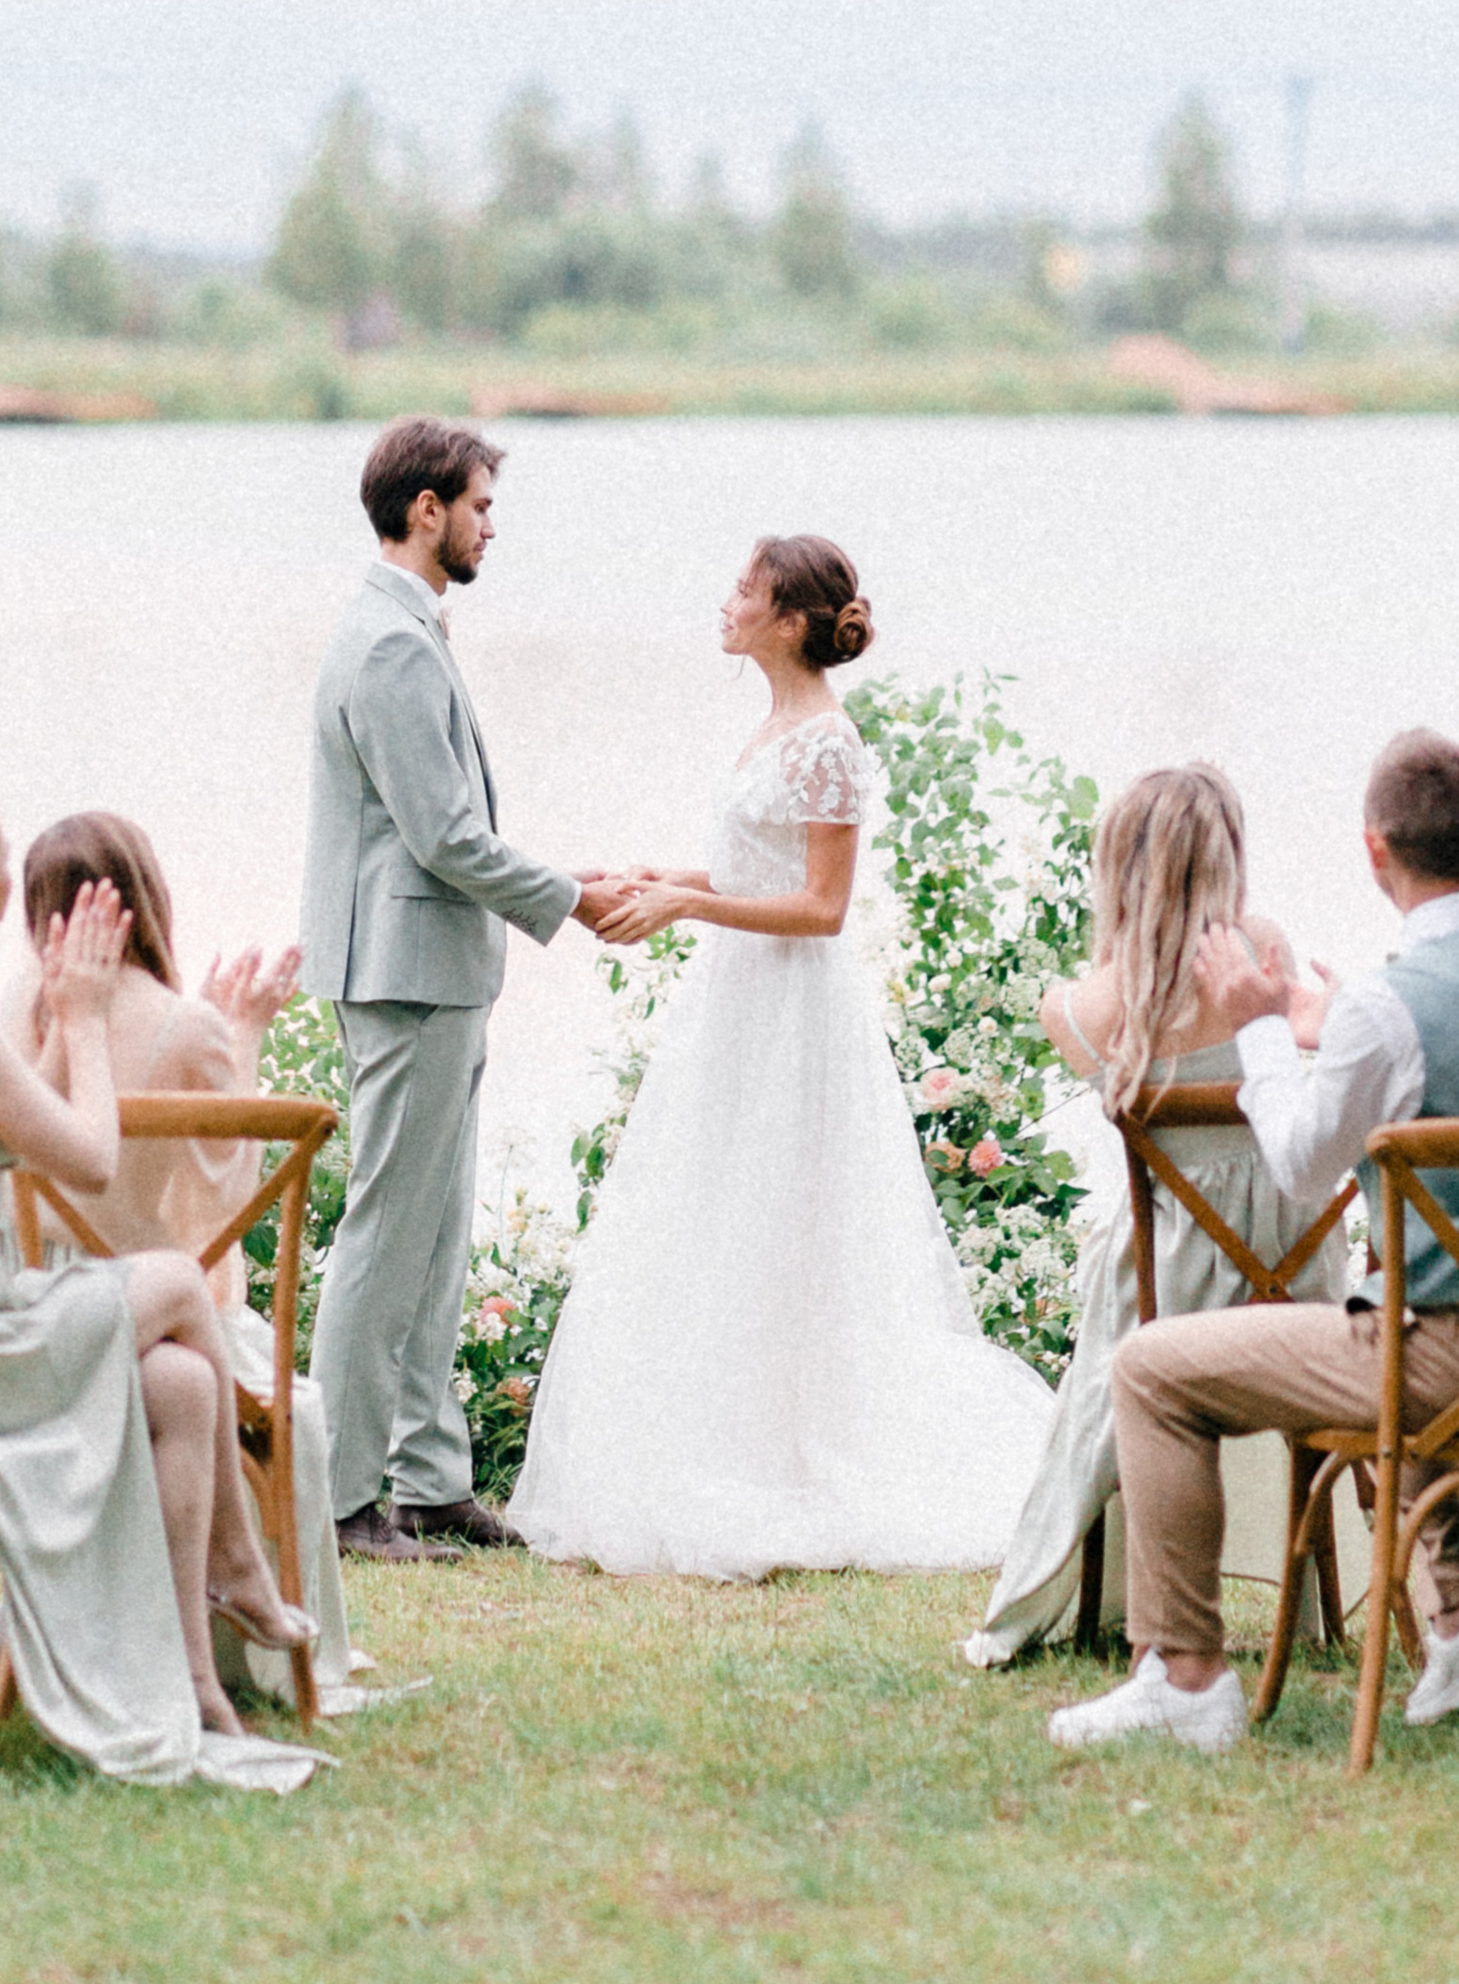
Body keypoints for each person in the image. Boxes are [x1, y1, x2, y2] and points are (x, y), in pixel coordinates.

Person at [1050, 728, 1459, 1757]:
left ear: (1373, 850)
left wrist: (1263, 1022)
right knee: (1388, 1314)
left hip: (1452, 1363)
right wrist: (1323, 1022)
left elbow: (1301, 1165)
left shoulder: (1385, 1005)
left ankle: (1183, 1676)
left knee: (1148, 1368)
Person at [506, 537, 1054, 1579]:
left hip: (795, 1014)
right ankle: (729, 1433)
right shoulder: (772, 729)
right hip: (734, 1004)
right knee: (716, 1206)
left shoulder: (830, 745)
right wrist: (670, 876)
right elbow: (763, 864)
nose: (725, 605)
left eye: (744, 593)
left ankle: (802, 1453)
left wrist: (688, 907)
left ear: (790, 622)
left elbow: (820, 906)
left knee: (785, 1212)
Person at [0, 788, 321, 1791]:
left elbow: (9, 1123)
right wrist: (80, 1018)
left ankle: (196, 1682)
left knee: (183, 1386)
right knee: (175, 1283)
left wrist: (47, 1016)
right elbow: (82, 1158)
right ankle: (242, 1571)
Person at [303, 418, 620, 1560]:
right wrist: (571, 896)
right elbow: (441, 834)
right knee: (389, 1231)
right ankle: (339, 1503)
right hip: (402, 976)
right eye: (481, 504)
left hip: (433, 969)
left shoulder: (405, 630)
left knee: (437, 1233)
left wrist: (561, 886)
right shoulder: (388, 645)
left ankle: (431, 1485)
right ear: (426, 509)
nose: (493, 525)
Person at [965, 763, 1339, 1667]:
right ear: (1229, 859)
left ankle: (1076, 1580)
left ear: (1114, 868)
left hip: (1168, 1282)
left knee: (1117, 1259)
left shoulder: (1079, 1009)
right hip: (1298, 1267)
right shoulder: (1265, 951)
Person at [15, 809, 374, 1712]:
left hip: (46, 1297)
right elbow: (228, 1194)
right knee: (292, 1399)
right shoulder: (188, 1030)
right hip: (155, 1303)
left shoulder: (19, 1027)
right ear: (144, 902)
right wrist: (242, 1031)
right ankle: (258, 1601)